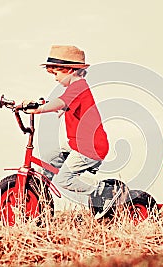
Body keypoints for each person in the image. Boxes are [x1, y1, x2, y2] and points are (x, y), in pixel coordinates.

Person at [22, 45, 121, 219]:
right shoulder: (74, 89)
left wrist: (40, 109)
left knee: (63, 180)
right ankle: (40, 196)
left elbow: (61, 103)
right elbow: (63, 104)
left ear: (69, 70)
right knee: (50, 159)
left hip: (90, 147)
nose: (55, 79)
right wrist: (40, 105)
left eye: (56, 74)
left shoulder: (79, 87)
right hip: (77, 144)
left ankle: (105, 192)